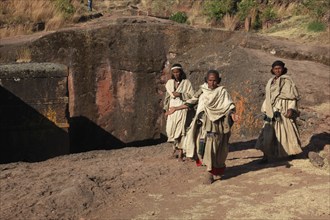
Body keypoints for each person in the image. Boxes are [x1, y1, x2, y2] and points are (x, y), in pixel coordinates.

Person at [166, 70, 239, 184]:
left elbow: (229, 105)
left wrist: (232, 114)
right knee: (204, 148)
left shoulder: (222, 92)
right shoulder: (202, 91)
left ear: (218, 81)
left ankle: (210, 172)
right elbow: (191, 102)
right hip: (204, 124)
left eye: (215, 80)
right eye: (210, 80)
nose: (212, 83)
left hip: (217, 124)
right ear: (206, 80)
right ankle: (210, 170)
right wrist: (176, 108)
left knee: (215, 148)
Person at [256, 60, 302, 163]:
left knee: (287, 133)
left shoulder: (288, 81)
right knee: (267, 134)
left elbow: (292, 97)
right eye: (275, 69)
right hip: (271, 111)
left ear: (283, 69)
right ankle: (266, 156)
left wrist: (291, 108)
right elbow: (268, 96)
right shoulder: (270, 82)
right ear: (272, 70)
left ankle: (292, 153)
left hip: (283, 110)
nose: (277, 70)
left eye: (279, 68)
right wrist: (265, 108)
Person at [163, 64, 195, 161]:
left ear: (181, 72)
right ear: (172, 73)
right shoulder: (169, 83)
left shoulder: (186, 83)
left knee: (181, 131)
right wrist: (166, 110)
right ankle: (174, 150)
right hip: (172, 108)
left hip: (181, 108)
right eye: (174, 72)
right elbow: (167, 97)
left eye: (178, 72)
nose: (176, 74)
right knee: (170, 130)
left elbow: (192, 96)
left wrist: (181, 95)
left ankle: (180, 154)